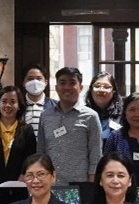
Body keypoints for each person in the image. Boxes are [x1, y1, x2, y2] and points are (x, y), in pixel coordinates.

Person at [38, 67, 102, 195]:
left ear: (81, 87)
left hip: (80, 185)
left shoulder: (90, 116)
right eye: (62, 83)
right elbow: (41, 151)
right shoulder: (45, 116)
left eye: (72, 83)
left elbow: (96, 154)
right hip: (51, 184)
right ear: (56, 87)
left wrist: (91, 185)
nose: (67, 87)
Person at [0, 85, 37, 204]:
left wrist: (20, 182)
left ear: (19, 106)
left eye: (13, 102)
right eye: (4, 101)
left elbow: (31, 158)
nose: (8, 105)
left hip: (19, 187)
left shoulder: (27, 130)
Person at [21, 66, 56, 135]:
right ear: (24, 83)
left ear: (46, 82)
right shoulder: (17, 106)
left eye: (39, 78)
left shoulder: (56, 106)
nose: (35, 82)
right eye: (30, 79)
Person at [87, 72, 124, 137]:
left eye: (106, 87)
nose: (101, 90)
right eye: (97, 86)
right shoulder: (83, 113)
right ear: (91, 90)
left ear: (114, 91)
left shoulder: (123, 113)